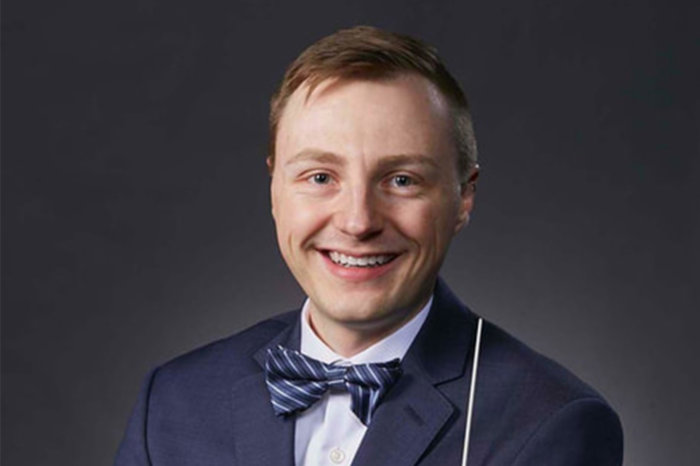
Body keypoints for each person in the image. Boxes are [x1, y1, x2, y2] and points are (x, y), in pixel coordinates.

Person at [115, 26, 623, 465]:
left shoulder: (551, 424)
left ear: (463, 197)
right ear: (274, 189)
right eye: (319, 176)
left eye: (401, 180)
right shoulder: (175, 401)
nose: (358, 221)